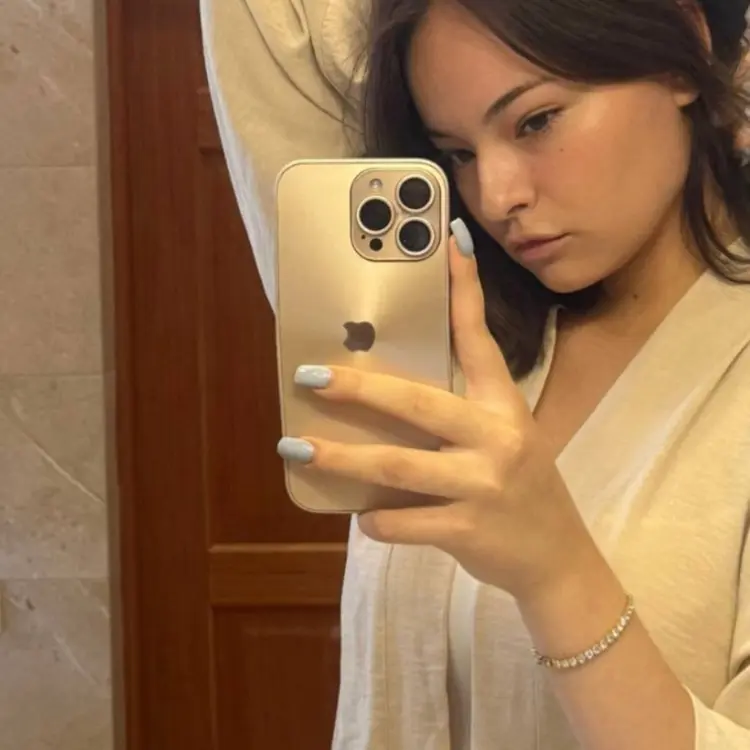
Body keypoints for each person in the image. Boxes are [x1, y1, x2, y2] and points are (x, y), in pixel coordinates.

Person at [200, 1, 750, 748]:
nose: (496, 197)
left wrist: (557, 572)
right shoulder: (448, 340)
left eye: (536, 121)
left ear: (680, 44)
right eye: (457, 153)